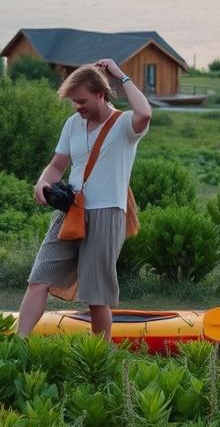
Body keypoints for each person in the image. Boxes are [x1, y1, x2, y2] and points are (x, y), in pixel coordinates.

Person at [17, 59, 151, 341]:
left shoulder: (124, 124)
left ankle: (100, 357)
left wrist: (120, 75)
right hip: (71, 211)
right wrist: (43, 182)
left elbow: (145, 112)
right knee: (38, 278)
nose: (77, 107)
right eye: (73, 101)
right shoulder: (73, 125)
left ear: (101, 94)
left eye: (82, 100)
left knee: (96, 294)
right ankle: (19, 345)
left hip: (107, 212)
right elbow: (57, 165)